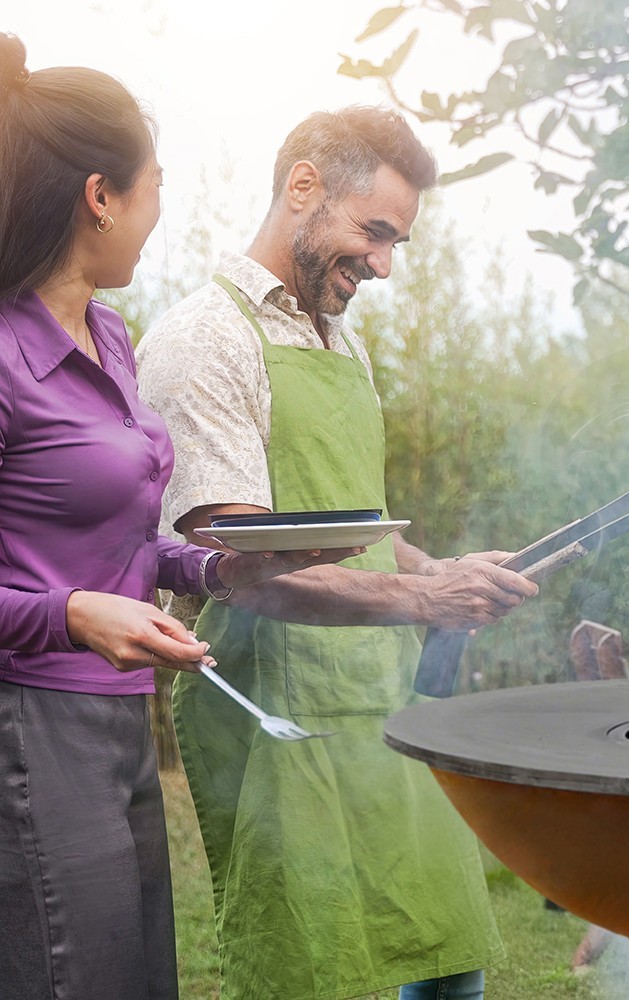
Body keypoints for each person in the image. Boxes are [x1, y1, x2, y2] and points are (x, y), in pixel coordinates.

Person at [135, 106, 539, 1000]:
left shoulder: (340, 337)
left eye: (397, 242)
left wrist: (442, 573)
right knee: (312, 973)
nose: (385, 264)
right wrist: (433, 604)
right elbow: (240, 568)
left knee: (449, 960)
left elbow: (360, 531)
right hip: (276, 711)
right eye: (375, 232)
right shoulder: (205, 340)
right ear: (304, 187)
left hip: (382, 699)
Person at [0, 35, 362, 1000]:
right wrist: (72, 614)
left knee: (138, 977)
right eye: (155, 184)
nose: (161, 211)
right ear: (101, 195)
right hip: (30, 723)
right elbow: (65, 587)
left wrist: (219, 569)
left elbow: (121, 536)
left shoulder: (109, 334)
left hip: (119, 718)